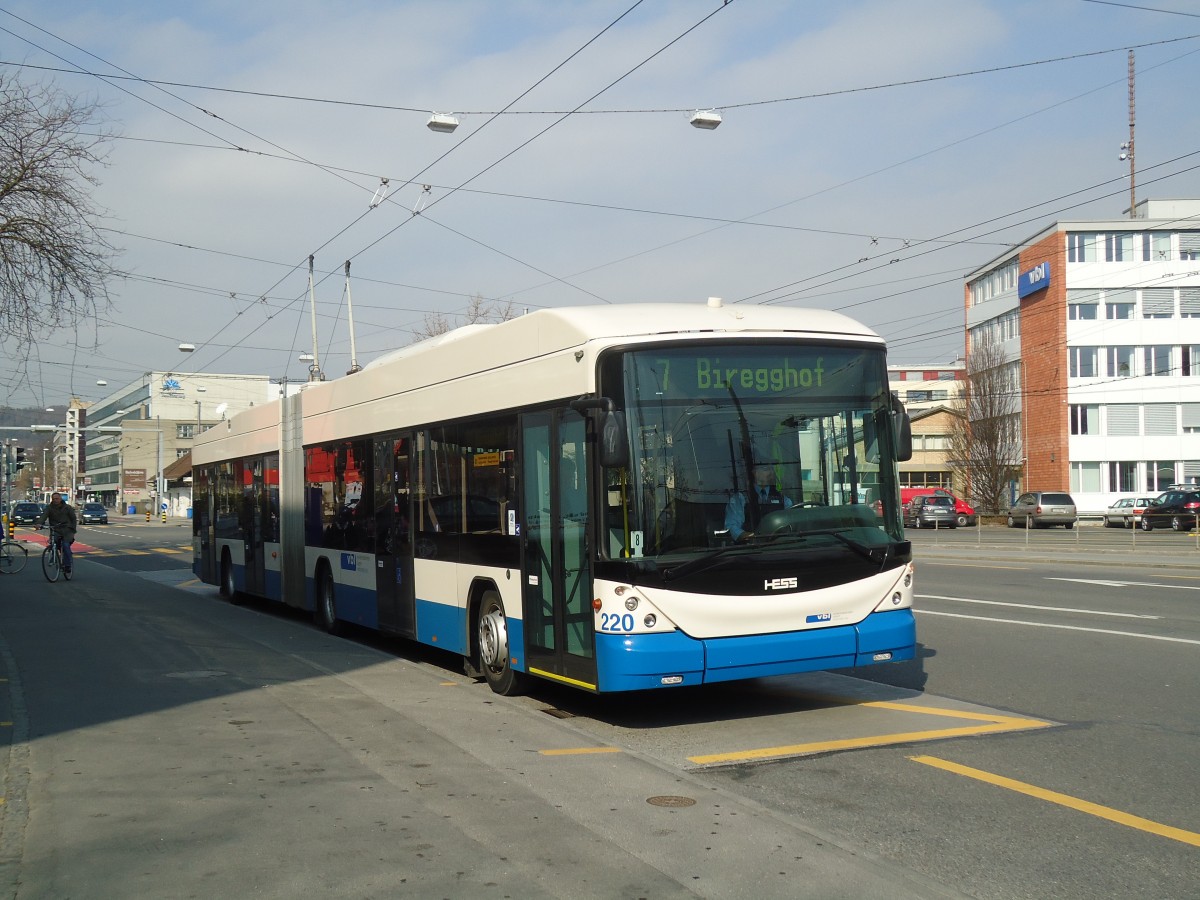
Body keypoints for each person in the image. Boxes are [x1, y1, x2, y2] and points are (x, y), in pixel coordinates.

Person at [725, 464, 792, 541]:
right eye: (765, 469)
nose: (771, 473)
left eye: (771, 469)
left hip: (778, 547)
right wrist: (749, 536)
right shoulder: (740, 499)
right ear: (754, 472)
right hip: (749, 549)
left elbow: (791, 524)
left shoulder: (784, 500)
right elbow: (732, 526)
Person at [36, 492, 78, 574]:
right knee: (53, 543)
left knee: (66, 546)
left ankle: (68, 565)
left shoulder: (67, 507)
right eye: (54, 499)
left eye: (57, 498)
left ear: (60, 499)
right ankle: (53, 556)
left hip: (67, 530)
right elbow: (43, 516)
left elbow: (73, 518)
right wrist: (39, 523)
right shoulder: (49, 508)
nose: (55, 500)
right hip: (55, 530)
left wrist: (73, 529)